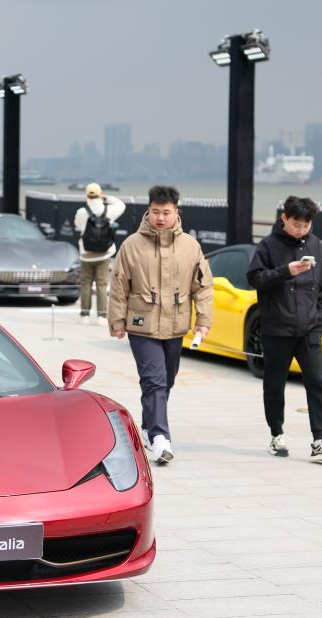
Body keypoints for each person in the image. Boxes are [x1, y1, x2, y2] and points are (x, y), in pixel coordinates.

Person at [108, 185, 213, 465]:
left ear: (176, 212)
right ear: (149, 211)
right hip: (141, 325)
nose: (161, 218)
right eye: (156, 212)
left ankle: (146, 427)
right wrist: (117, 320)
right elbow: (119, 285)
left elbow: (203, 286)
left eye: (166, 212)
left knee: (166, 381)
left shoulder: (190, 246)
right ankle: (160, 438)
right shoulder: (132, 245)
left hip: (176, 325)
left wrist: (203, 321)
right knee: (154, 380)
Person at [247, 196, 322, 462]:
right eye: (296, 224)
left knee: (316, 381)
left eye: (306, 225)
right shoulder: (267, 246)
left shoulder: (316, 246)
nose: (301, 230)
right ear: (284, 218)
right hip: (276, 329)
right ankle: (277, 434)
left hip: (309, 330)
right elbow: (254, 279)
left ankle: (320, 440)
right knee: (275, 383)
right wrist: (285, 271)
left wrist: (319, 321)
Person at [74, 183, 125, 323]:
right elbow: (121, 205)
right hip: (104, 254)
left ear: (87, 195)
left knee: (86, 284)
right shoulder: (109, 210)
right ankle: (101, 316)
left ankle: (84, 315)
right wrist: (106, 198)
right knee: (102, 284)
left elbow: (77, 226)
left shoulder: (81, 212)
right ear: (100, 194)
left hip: (86, 254)